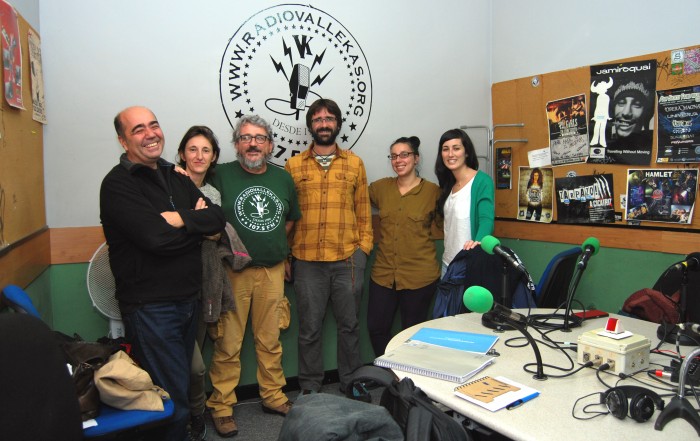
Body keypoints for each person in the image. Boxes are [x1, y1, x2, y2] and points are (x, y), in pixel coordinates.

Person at [100, 106, 225, 441]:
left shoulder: (174, 176)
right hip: (151, 308)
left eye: (153, 125)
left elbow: (216, 218)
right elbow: (156, 240)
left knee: (178, 386)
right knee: (170, 400)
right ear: (123, 140)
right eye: (138, 129)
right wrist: (194, 227)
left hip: (187, 300)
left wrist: (179, 218)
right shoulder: (117, 184)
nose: (150, 133)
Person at [206, 115, 300, 438]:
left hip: (272, 271)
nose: (253, 143)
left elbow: (289, 220)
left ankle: (273, 396)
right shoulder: (220, 175)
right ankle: (221, 406)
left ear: (270, 145)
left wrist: (276, 249)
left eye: (260, 138)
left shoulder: (282, 178)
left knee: (270, 340)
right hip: (234, 272)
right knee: (228, 343)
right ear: (236, 144)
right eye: (245, 137)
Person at [285, 98, 373, 401]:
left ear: (337, 124)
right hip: (307, 260)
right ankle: (309, 386)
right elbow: (287, 216)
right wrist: (287, 255)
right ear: (311, 124)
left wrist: (363, 250)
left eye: (329, 118)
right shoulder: (294, 166)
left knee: (350, 326)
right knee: (309, 328)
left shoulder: (354, 163)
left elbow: (363, 211)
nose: (324, 123)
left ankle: (351, 380)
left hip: (348, 258)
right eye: (318, 118)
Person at [367, 136, 441, 356]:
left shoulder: (433, 192)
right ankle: (390, 375)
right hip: (383, 274)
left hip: (420, 277)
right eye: (394, 156)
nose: (399, 160)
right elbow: (351, 196)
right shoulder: (380, 188)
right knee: (377, 328)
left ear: (416, 158)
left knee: (413, 333)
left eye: (404, 154)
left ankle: (410, 381)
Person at [176, 125, 225, 441]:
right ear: (182, 153)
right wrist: (196, 224)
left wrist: (186, 223)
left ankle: (195, 415)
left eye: (206, 150)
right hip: (166, 286)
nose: (199, 156)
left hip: (202, 283)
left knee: (195, 360)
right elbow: (161, 233)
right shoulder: (167, 186)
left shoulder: (212, 194)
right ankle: (174, 416)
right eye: (193, 149)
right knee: (174, 358)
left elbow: (216, 232)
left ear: (214, 157)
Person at [434, 128, 494, 276]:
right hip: (448, 264)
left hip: (469, 265)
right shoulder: (448, 185)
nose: (450, 154)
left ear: (466, 152)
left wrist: (478, 244)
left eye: (456, 148)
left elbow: (486, 220)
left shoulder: (482, 181)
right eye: (445, 149)